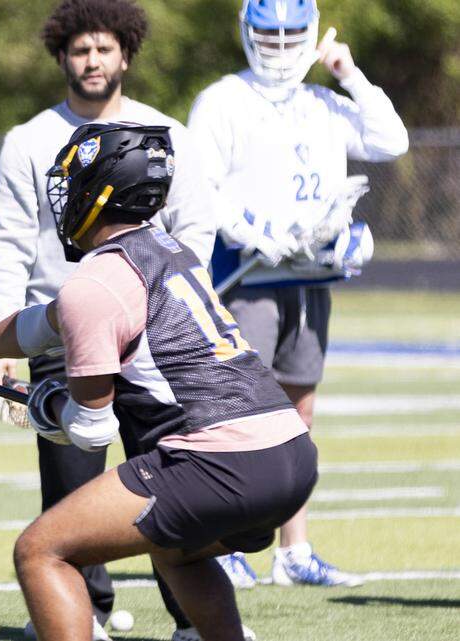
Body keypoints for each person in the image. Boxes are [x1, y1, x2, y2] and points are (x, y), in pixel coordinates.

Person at [0, 122, 317, 641]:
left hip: (223, 465)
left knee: (41, 550)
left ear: (100, 191)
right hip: (291, 457)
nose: (64, 198)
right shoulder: (168, 252)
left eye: (72, 183)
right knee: (177, 552)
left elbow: (90, 430)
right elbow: (43, 322)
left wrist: (41, 402)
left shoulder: (98, 280)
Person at [0, 0, 215, 637]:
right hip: (59, 331)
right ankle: (82, 618)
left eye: (104, 49)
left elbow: (196, 229)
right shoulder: (27, 141)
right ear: (62, 57)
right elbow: (9, 243)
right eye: (80, 50)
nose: (92, 61)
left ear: (126, 55)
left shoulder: (168, 134)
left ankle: (192, 622)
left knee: (174, 482)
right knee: (69, 490)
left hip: (159, 335)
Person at [189, 0, 407, 588]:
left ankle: (293, 551)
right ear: (247, 32)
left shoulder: (323, 102)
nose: (281, 47)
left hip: (309, 282)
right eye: (270, 35)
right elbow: (201, 188)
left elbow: (392, 141)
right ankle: (226, 544)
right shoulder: (223, 101)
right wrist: (254, 232)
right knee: (236, 414)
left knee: (298, 417)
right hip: (245, 279)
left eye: (292, 36)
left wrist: (348, 73)